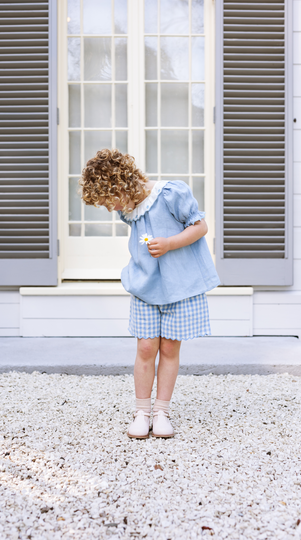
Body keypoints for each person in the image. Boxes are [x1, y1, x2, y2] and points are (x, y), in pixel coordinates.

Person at [79, 148, 220, 439]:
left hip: (178, 288)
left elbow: (200, 226)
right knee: (145, 349)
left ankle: (161, 412)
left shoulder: (171, 194)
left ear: (120, 185)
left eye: (109, 201)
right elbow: (143, 235)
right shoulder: (128, 208)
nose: (111, 209)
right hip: (146, 287)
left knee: (169, 348)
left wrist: (169, 243)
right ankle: (142, 412)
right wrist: (150, 244)